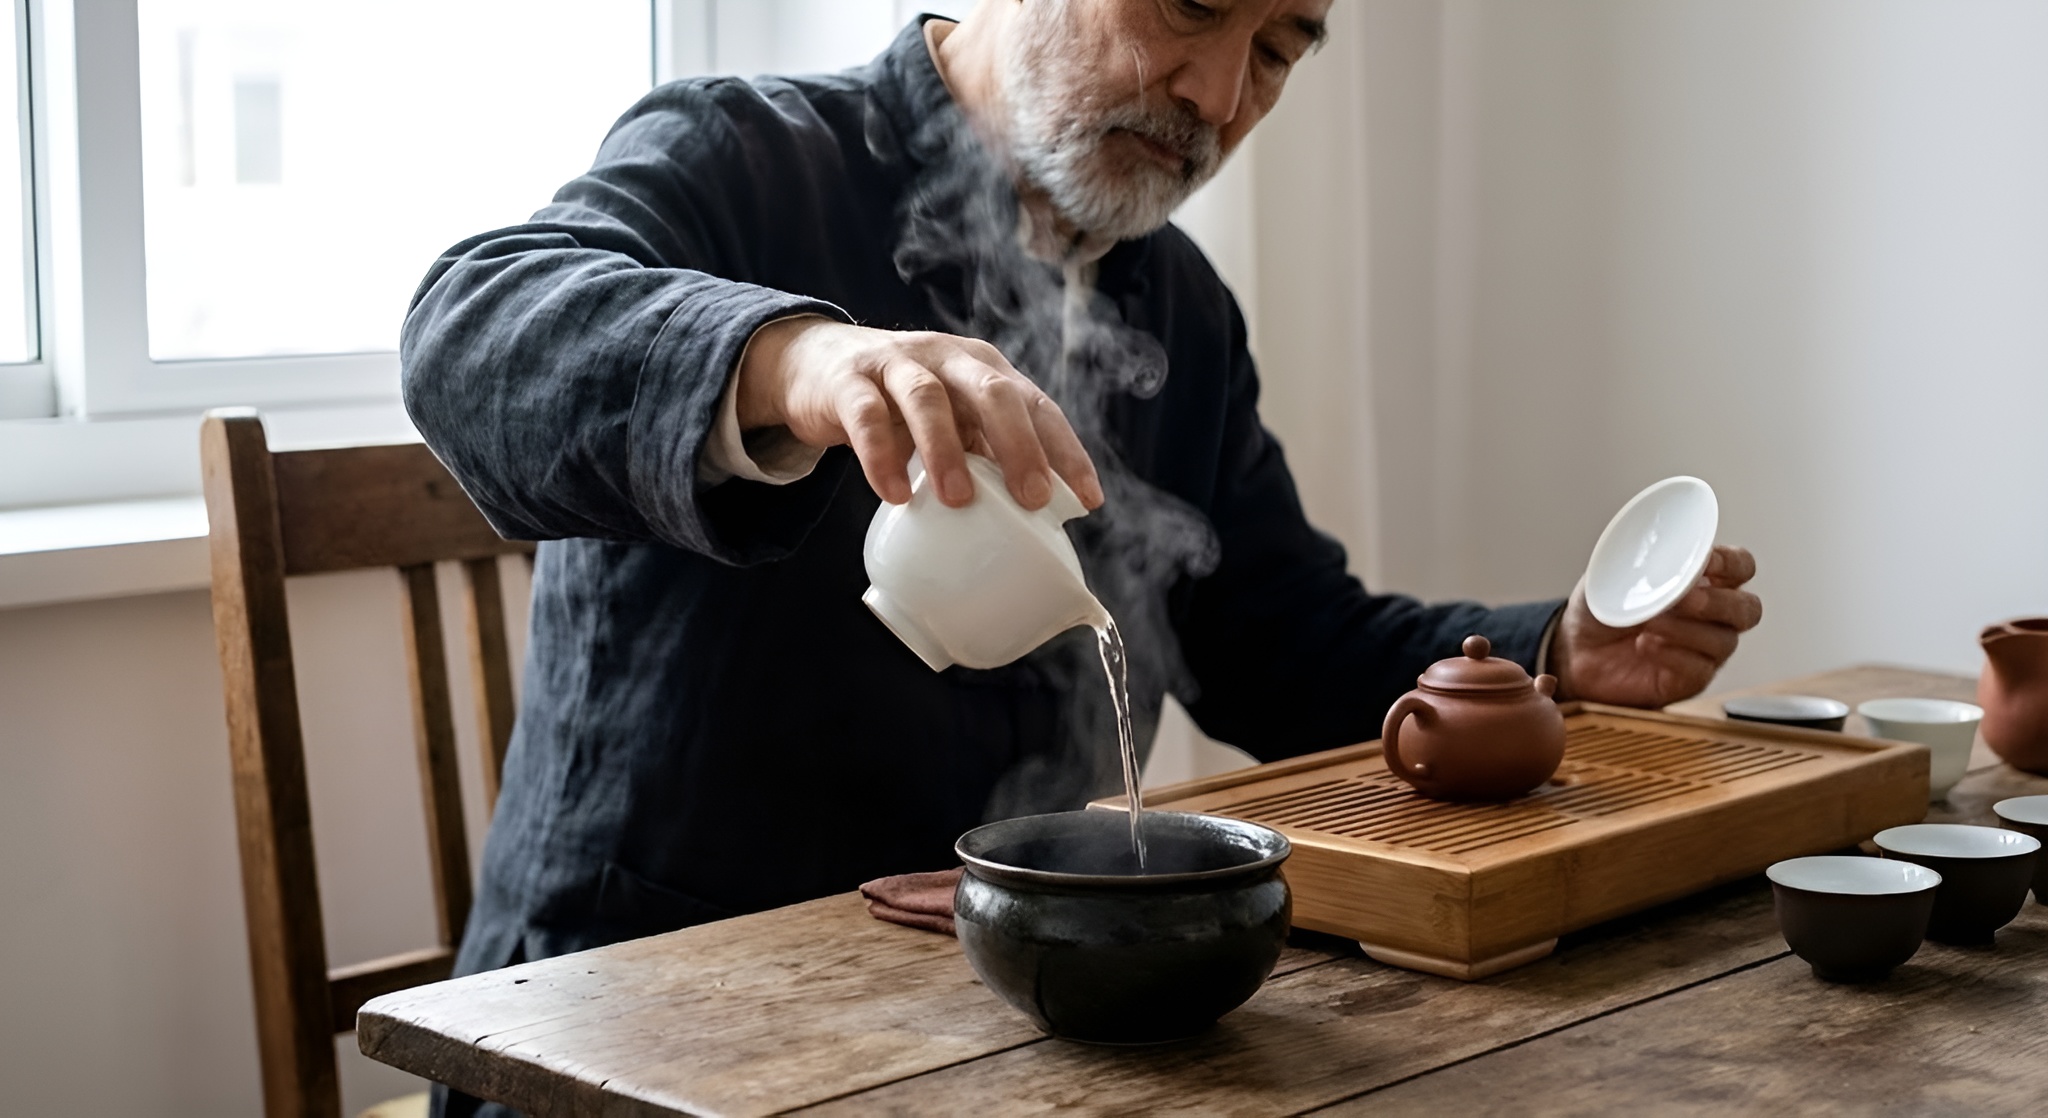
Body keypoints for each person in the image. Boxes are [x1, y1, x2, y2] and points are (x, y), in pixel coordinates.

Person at [405, 2, 1761, 1112]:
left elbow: (1283, 634)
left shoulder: (1177, 306)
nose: (1223, 95)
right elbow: (469, 332)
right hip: (633, 1036)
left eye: (1279, 49)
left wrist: (1553, 655)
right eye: (1191, 8)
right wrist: (802, 361)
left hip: (1003, 1039)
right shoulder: (744, 158)